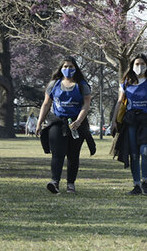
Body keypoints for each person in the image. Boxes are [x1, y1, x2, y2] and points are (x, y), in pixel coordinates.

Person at [36, 56, 94, 194]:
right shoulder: (53, 84)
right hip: (57, 122)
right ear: (61, 69)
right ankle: (54, 182)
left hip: (76, 124)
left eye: (71, 67)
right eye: (65, 67)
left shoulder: (82, 85)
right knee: (57, 154)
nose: (68, 69)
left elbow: (86, 105)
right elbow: (46, 104)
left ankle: (71, 184)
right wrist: (39, 123)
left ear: (76, 68)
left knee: (73, 155)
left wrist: (78, 121)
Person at [110, 54, 147, 195]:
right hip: (131, 121)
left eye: (142, 63)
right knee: (133, 153)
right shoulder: (126, 82)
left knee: (145, 151)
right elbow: (120, 102)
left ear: (146, 65)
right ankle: (136, 185)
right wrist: (114, 121)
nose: (139, 66)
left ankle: (145, 182)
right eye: (136, 63)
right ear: (132, 65)